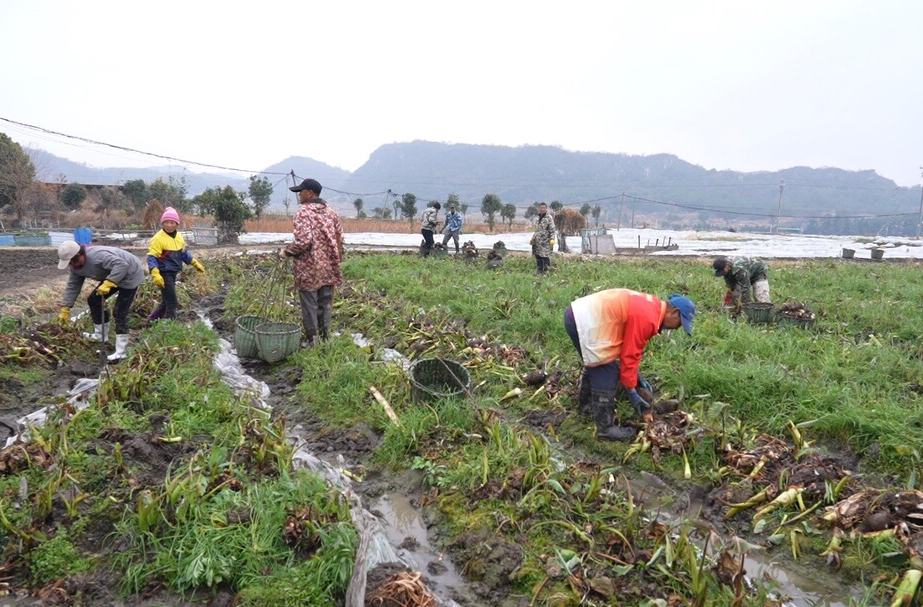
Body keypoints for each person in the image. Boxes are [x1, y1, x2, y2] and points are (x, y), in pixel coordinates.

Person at [563, 289, 695, 442]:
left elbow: (630, 347)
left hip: (580, 316)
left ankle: (586, 409)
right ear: (674, 312)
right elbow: (629, 355)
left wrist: (636, 375)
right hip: (586, 321)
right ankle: (605, 429)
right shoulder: (648, 318)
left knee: (598, 365)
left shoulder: (652, 307)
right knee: (607, 370)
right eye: (680, 322)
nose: (678, 328)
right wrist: (632, 392)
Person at [56, 240, 145, 362]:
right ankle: (100, 335)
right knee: (94, 300)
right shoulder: (75, 267)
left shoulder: (98, 256)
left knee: (119, 312)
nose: (72, 265)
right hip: (112, 274)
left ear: (80, 254)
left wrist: (109, 283)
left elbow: (122, 265)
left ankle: (121, 351)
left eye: (73, 261)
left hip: (130, 273)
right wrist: (65, 307)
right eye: (69, 263)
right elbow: (73, 286)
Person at [281, 178, 344, 346]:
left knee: (309, 304)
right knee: (325, 303)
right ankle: (325, 338)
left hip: (309, 267)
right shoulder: (331, 212)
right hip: (329, 267)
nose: (299, 195)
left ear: (310, 193)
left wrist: (287, 251)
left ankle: (313, 341)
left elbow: (304, 241)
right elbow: (339, 237)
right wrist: (336, 259)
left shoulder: (303, 212)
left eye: (301, 192)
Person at [146, 207, 205, 321]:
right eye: (166, 222)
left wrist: (195, 263)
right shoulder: (158, 238)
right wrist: (155, 273)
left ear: (177, 224)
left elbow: (182, 254)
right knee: (172, 301)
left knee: (166, 301)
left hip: (173, 271)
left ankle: (151, 321)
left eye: (172, 222)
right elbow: (151, 256)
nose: (169, 225)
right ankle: (169, 326)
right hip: (163, 273)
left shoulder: (179, 237)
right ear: (162, 223)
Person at [530, 202, 555, 273]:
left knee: (545, 256)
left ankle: (546, 272)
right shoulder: (537, 218)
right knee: (538, 256)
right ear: (539, 208)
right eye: (541, 208)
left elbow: (552, 230)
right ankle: (539, 271)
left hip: (545, 241)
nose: (542, 209)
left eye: (544, 208)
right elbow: (537, 230)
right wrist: (533, 238)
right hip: (538, 241)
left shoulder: (549, 218)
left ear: (546, 208)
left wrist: (552, 239)